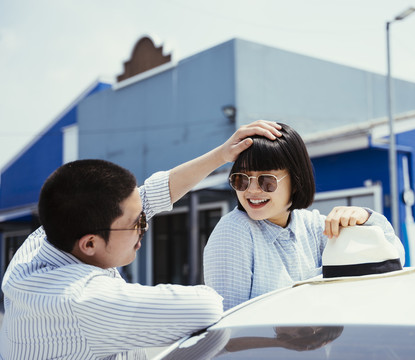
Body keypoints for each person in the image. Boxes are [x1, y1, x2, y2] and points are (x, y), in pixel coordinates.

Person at [0, 120, 282, 360]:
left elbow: (147, 196)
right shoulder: (81, 301)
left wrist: (222, 154)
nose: (145, 229)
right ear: (89, 244)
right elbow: (204, 308)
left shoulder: (50, 236)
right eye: (138, 224)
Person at [203, 123, 405, 311]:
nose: (252, 190)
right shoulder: (233, 232)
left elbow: (394, 261)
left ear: (296, 180)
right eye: (242, 180)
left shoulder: (314, 225)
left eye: (267, 180)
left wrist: (365, 216)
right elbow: (228, 327)